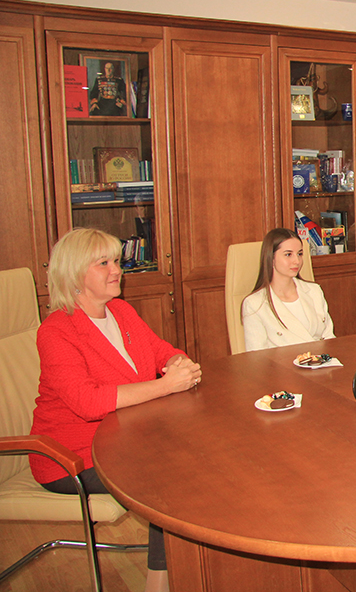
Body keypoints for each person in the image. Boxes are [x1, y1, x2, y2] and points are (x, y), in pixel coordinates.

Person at [30, 228, 202, 592]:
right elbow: (88, 403)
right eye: (103, 263)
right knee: (170, 478)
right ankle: (159, 583)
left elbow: (161, 351)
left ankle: (205, 566)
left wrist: (178, 363)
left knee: (202, 455)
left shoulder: (121, 311)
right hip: (73, 457)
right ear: (75, 274)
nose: (116, 270)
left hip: (129, 439)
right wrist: (166, 385)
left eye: (116, 261)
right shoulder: (56, 331)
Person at [241, 228, 335, 351]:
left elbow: (329, 339)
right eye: (288, 254)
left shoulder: (314, 291)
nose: (297, 261)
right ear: (271, 258)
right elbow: (257, 357)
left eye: (299, 254)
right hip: (281, 363)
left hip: (321, 360)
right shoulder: (255, 304)